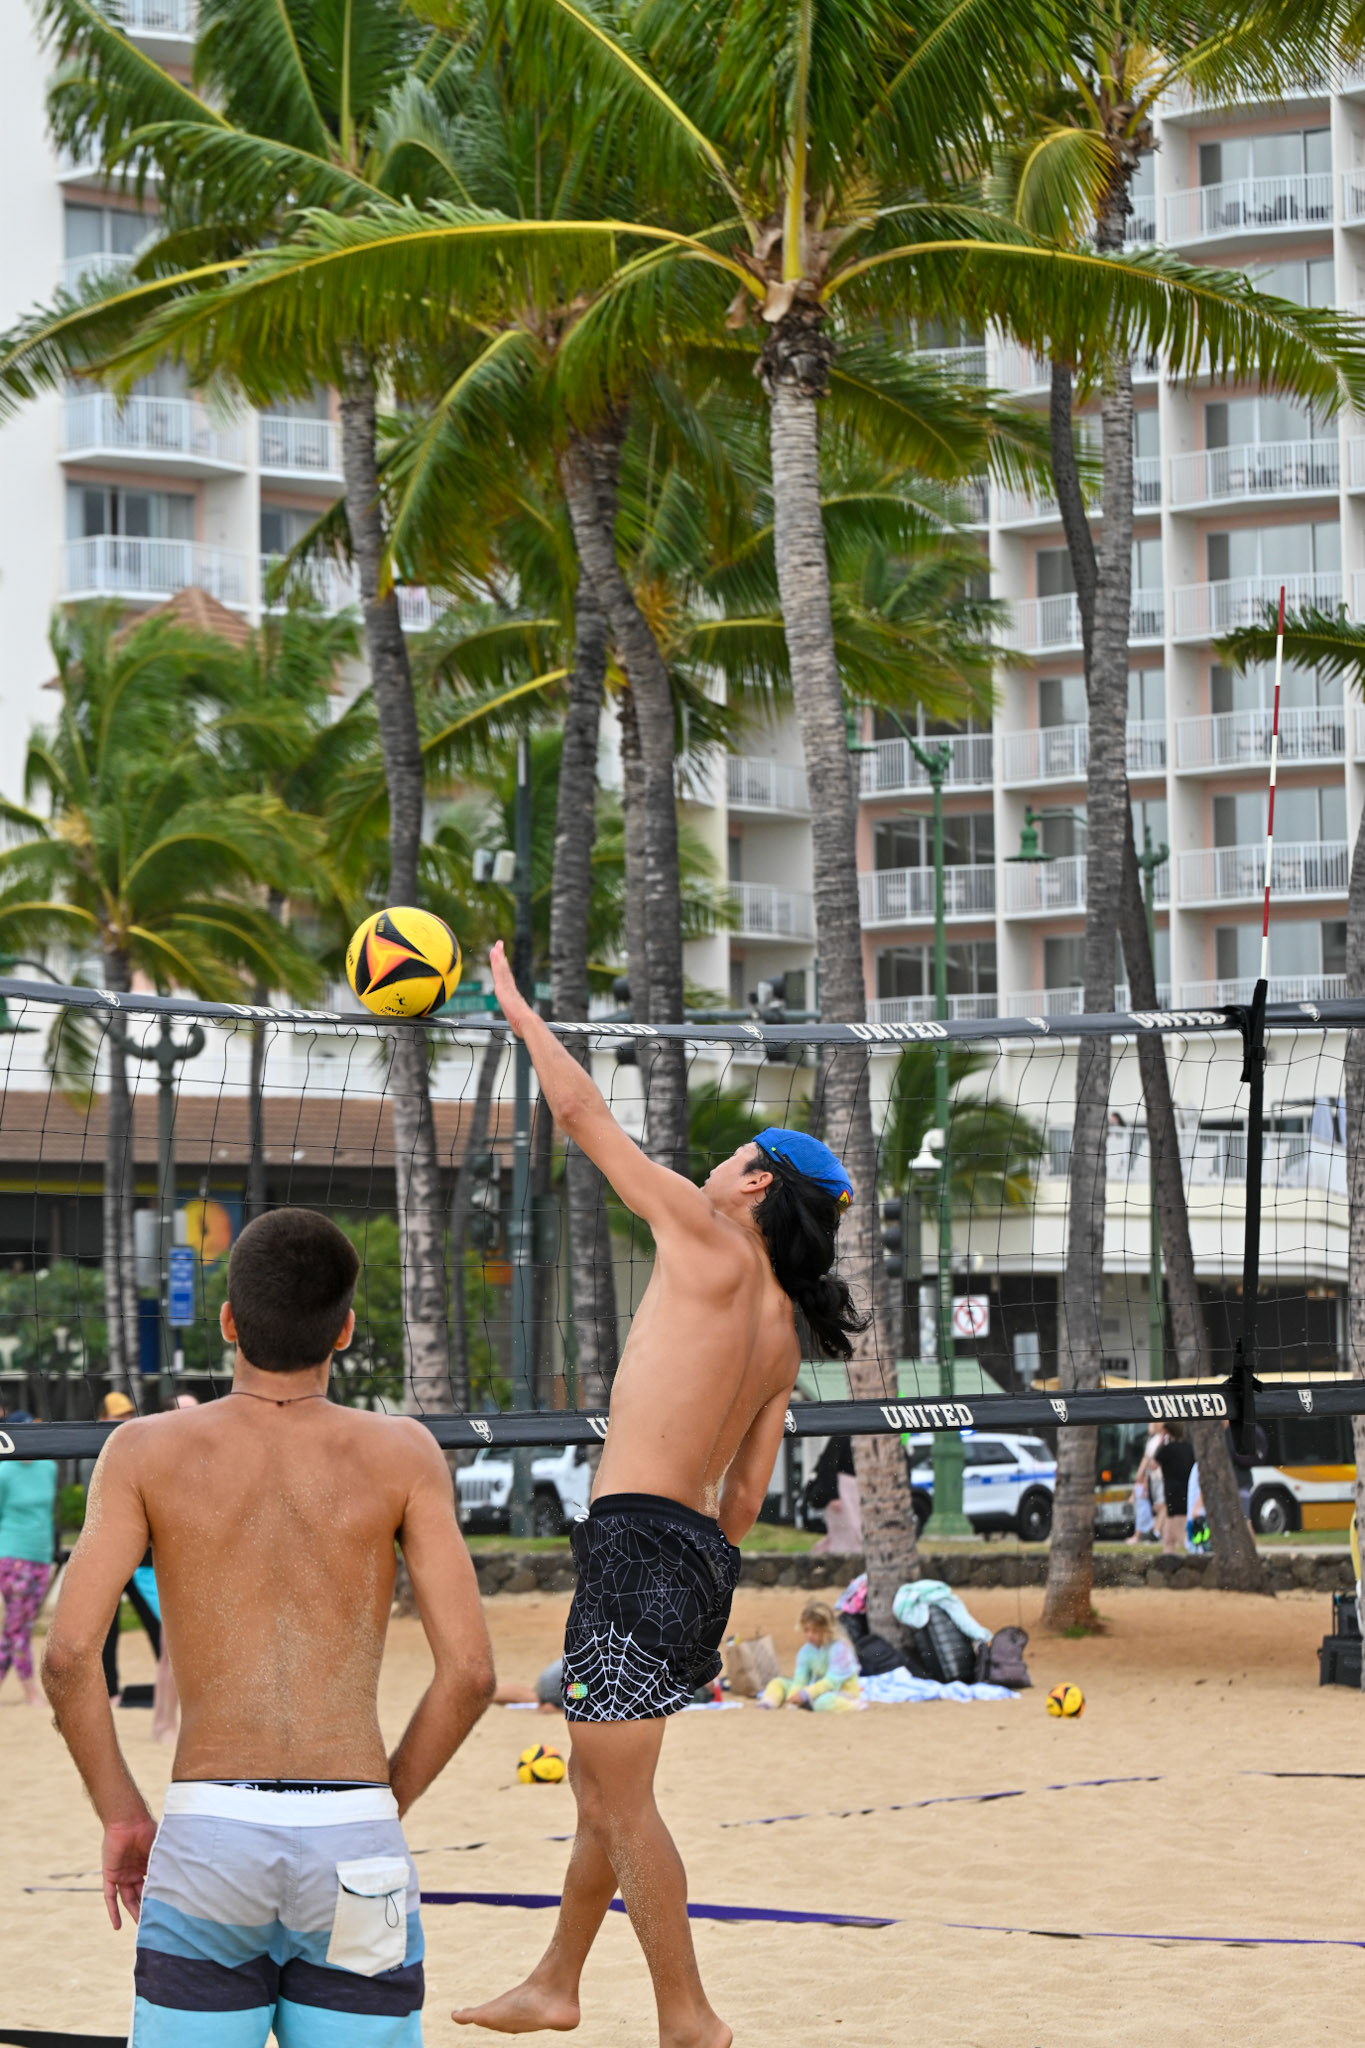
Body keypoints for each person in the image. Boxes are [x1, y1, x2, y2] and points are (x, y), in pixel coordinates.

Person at [454, 940, 866, 2048]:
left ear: (760, 1185)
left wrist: (521, 1014)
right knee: (601, 1781)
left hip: (637, 1544)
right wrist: (682, 1555)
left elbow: (586, 1116)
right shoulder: (784, 1335)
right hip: (687, 1554)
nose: (717, 1169)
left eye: (734, 1159)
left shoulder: (703, 1235)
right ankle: (555, 1978)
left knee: (620, 1797)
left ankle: (689, 2014)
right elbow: (744, 1500)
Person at [42, 1206, 494, 2048]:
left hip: (211, 1835)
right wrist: (379, 1802)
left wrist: (123, 1814)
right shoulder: (404, 1453)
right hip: (355, 1840)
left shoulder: (144, 1450)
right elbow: (470, 1674)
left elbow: (69, 1658)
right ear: (347, 1330)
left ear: (227, 1322)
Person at [0, 1412, 58, 1706]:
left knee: (18, 1625)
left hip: (41, 1555)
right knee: (18, 1625)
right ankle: (30, 1690)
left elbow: (48, 1513)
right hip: (12, 1555)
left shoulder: (48, 1467)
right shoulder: (3, 1472)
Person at [759, 1599, 862, 1712]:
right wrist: (793, 1697)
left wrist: (804, 1695)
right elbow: (800, 1680)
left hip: (841, 1693)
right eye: (807, 1630)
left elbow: (831, 1682)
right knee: (778, 1682)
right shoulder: (806, 1651)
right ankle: (768, 1703)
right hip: (817, 1692)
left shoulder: (841, 1647)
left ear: (827, 1629)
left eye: (815, 1631)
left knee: (823, 1702)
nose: (810, 1635)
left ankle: (855, 1706)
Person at [1155, 1419, 1195, 1554]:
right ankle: (1168, 1565)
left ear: (1167, 1431)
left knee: (1179, 1534)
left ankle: (1196, 1555)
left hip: (1173, 1494)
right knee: (1168, 1536)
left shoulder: (1167, 1449)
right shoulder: (1189, 1448)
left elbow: (1152, 1465)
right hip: (1185, 1493)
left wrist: (1161, 1441)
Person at [1126, 1425, 1165, 1545]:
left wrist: (1140, 1476)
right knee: (1158, 1507)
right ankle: (1159, 1532)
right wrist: (1140, 1476)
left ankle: (1157, 1532)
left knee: (1162, 1506)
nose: (1150, 1426)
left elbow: (1148, 1460)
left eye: (1153, 1423)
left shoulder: (1162, 1439)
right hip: (1153, 1478)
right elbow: (1146, 1459)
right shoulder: (1152, 1441)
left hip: (1161, 1477)